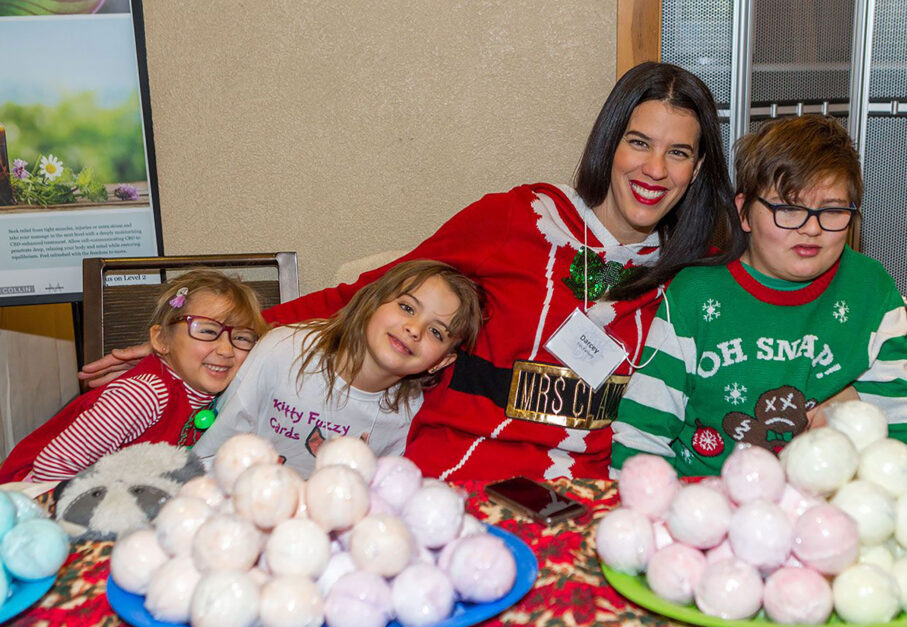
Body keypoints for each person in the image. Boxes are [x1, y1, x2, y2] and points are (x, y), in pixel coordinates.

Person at [79, 61, 745, 481]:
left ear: (697, 170)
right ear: (610, 141)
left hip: (579, 500)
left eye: (678, 153)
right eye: (639, 142)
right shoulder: (518, 218)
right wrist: (226, 332)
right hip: (443, 477)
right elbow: (366, 294)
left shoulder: (687, 281)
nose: (654, 170)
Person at [610, 114, 907, 476]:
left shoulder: (871, 289)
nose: (811, 229)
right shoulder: (695, 294)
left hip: (825, 504)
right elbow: (641, 435)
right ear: (744, 212)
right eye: (788, 209)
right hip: (705, 501)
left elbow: (899, 428)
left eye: (833, 211)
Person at [191, 260, 482, 477]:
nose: (414, 329)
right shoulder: (282, 351)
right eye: (407, 308)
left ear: (442, 360)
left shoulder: (408, 414)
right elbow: (211, 454)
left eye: (437, 332)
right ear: (373, 302)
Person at [0, 269, 266, 483]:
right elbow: (51, 469)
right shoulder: (144, 395)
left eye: (241, 338)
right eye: (207, 332)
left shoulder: (219, 396)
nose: (226, 349)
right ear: (161, 339)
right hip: (34, 494)